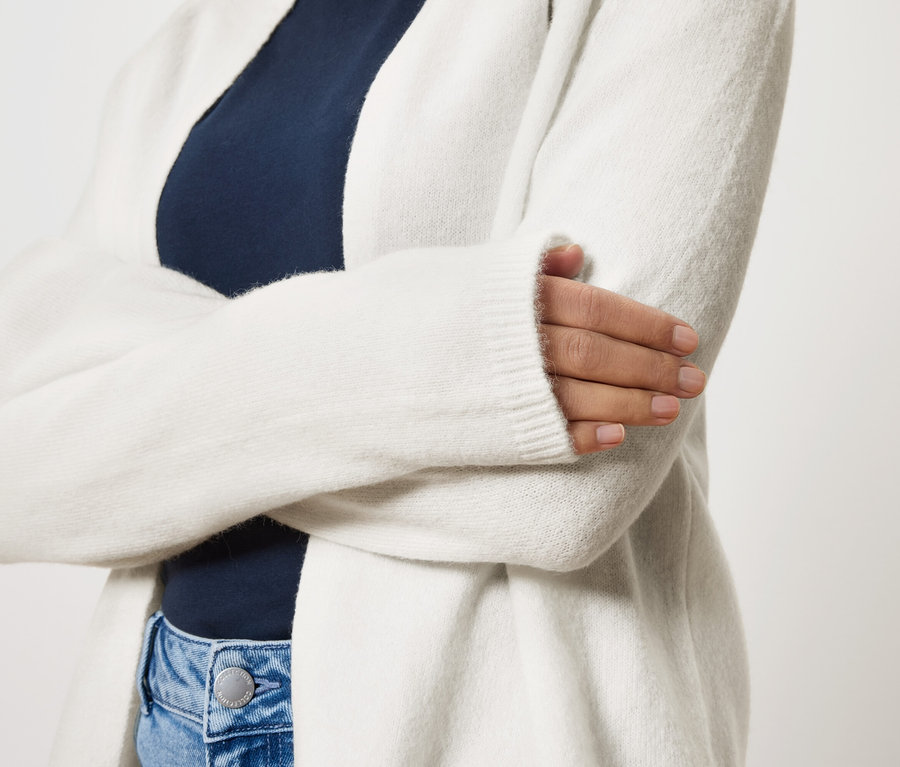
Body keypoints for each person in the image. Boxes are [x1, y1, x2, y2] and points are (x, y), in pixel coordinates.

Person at [0, 0, 794, 765]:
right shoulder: (192, 39)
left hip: (499, 727)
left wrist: (166, 426)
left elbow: (575, 490)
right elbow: (23, 455)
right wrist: (440, 355)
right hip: (167, 711)